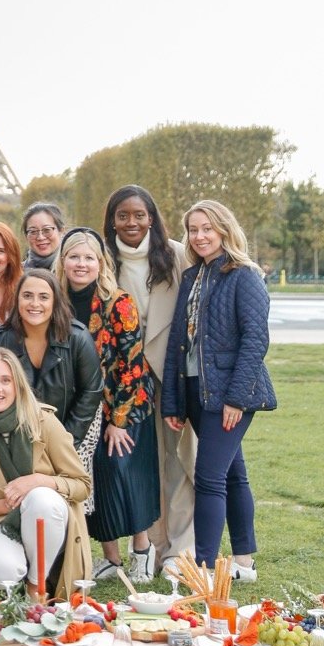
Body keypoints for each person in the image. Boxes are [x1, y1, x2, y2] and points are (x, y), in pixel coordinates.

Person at [162, 200, 276, 580]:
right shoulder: (193, 276)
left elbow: (255, 340)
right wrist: (174, 401)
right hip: (195, 392)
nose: (199, 236)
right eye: (193, 229)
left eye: (207, 228)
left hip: (229, 394)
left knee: (209, 476)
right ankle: (244, 562)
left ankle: (204, 568)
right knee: (231, 474)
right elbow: (179, 340)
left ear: (224, 228)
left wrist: (237, 399)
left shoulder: (245, 275)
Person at [55, 227, 160, 585]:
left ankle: (143, 550)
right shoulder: (56, 301)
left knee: (124, 474)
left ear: (100, 263)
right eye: (74, 256)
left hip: (125, 406)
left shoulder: (119, 301)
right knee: (95, 481)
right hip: (83, 410)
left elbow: (132, 363)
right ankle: (111, 558)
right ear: (63, 261)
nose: (81, 264)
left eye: (89, 258)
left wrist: (117, 421)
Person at [103, 184, 196, 574]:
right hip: (126, 382)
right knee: (148, 466)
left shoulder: (176, 254)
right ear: (111, 221)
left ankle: (181, 550)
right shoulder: (102, 259)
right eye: (122, 215)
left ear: (153, 218)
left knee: (180, 462)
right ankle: (155, 548)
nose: (131, 223)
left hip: (169, 374)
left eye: (139, 215)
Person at [0, 348, 93, 598]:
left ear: (18, 385)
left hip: (47, 521)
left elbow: (82, 485)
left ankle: (35, 586)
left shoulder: (43, 422)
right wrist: (2, 505)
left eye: (6, 380)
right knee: (5, 569)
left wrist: (38, 481)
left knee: (41, 498)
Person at [0, 271, 103, 453]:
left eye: (43, 297)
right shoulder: (0, 341)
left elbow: (91, 391)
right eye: (27, 296)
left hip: (73, 431)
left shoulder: (78, 338)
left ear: (55, 302)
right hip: (16, 437)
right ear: (17, 299)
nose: (35, 304)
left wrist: (65, 442)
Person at [20, 202, 66, 270]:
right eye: (33, 232)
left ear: (61, 231)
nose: (40, 237)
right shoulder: (17, 274)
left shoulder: (74, 271)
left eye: (47, 230)